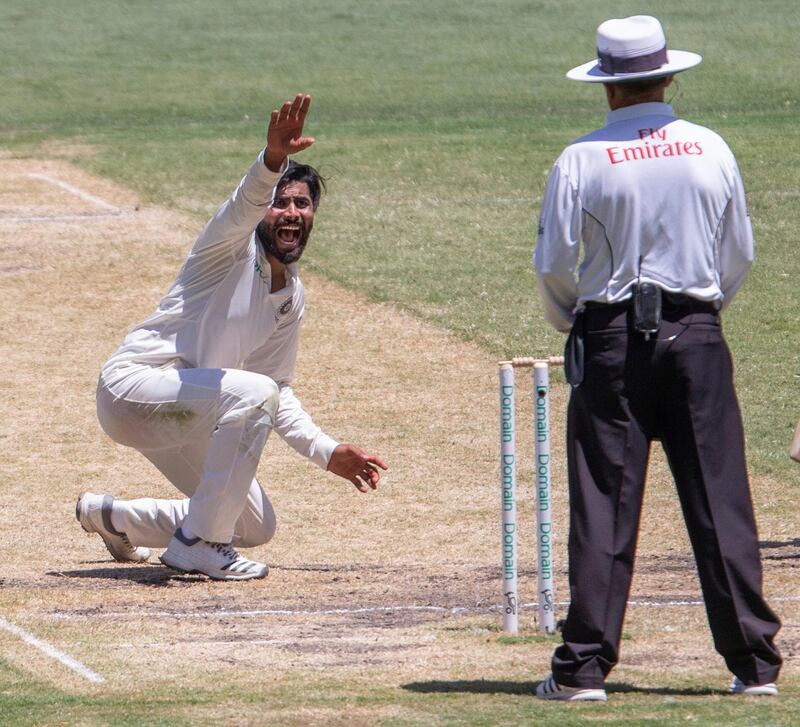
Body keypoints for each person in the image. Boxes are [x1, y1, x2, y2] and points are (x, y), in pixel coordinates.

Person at [533, 16, 781, 700]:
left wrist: (580, 321)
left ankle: (583, 666)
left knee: (604, 503)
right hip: (698, 335)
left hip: (611, 339)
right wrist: (701, 314)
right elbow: (739, 254)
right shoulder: (710, 148)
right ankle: (754, 664)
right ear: (668, 76)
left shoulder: (581, 158)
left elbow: (553, 264)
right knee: (718, 498)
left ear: (609, 88)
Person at [76, 94, 387, 581]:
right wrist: (272, 162)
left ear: (313, 215)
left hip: (186, 413)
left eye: (301, 204)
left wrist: (326, 452)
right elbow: (245, 204)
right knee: (250, 401)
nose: (290, 212)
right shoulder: (227, 248)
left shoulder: (291, 296)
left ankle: (112, 516)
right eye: (280, 202)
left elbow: (276, 388)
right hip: (133, 390)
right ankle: (198, 545)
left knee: (253, 523)